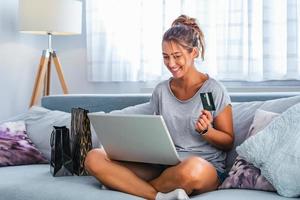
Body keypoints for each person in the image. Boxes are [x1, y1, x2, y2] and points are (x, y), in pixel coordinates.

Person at [84, 15, 234, 200]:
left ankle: (127, 186)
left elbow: (228, 141)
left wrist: (207, 131)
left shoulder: (214, 89)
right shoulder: (161, 91)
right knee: (94, 157)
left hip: (204, 168)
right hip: (163, 166)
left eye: (177, 56)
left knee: (192, 168)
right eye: (166, 56)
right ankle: (157, 196)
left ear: (193, 53)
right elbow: (156, 133)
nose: (171, 63)